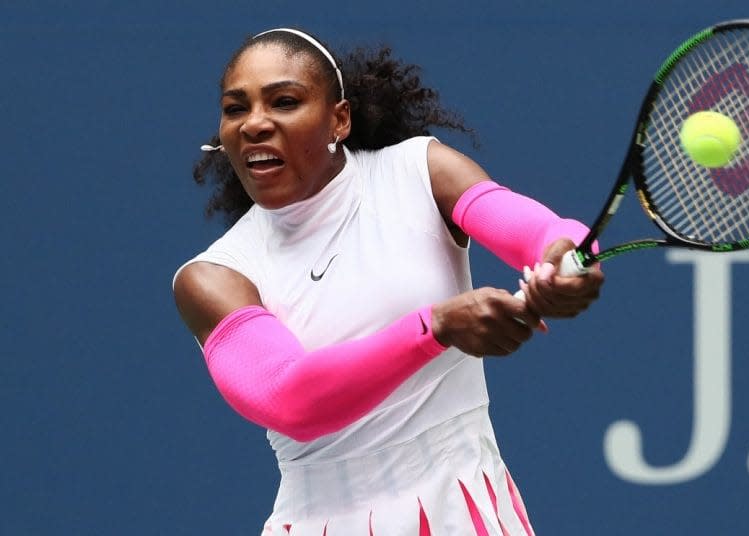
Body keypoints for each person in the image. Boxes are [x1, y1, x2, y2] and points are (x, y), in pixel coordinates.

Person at [173, 27, 604, 536]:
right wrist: (437, 327)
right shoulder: (214, 277)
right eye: (235, 109)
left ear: (339, 118)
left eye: (284, 101)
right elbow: (291, 400)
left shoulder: (420, 172)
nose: (255, 124)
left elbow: (548, 232)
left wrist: (567, 262)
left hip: (464, 507)